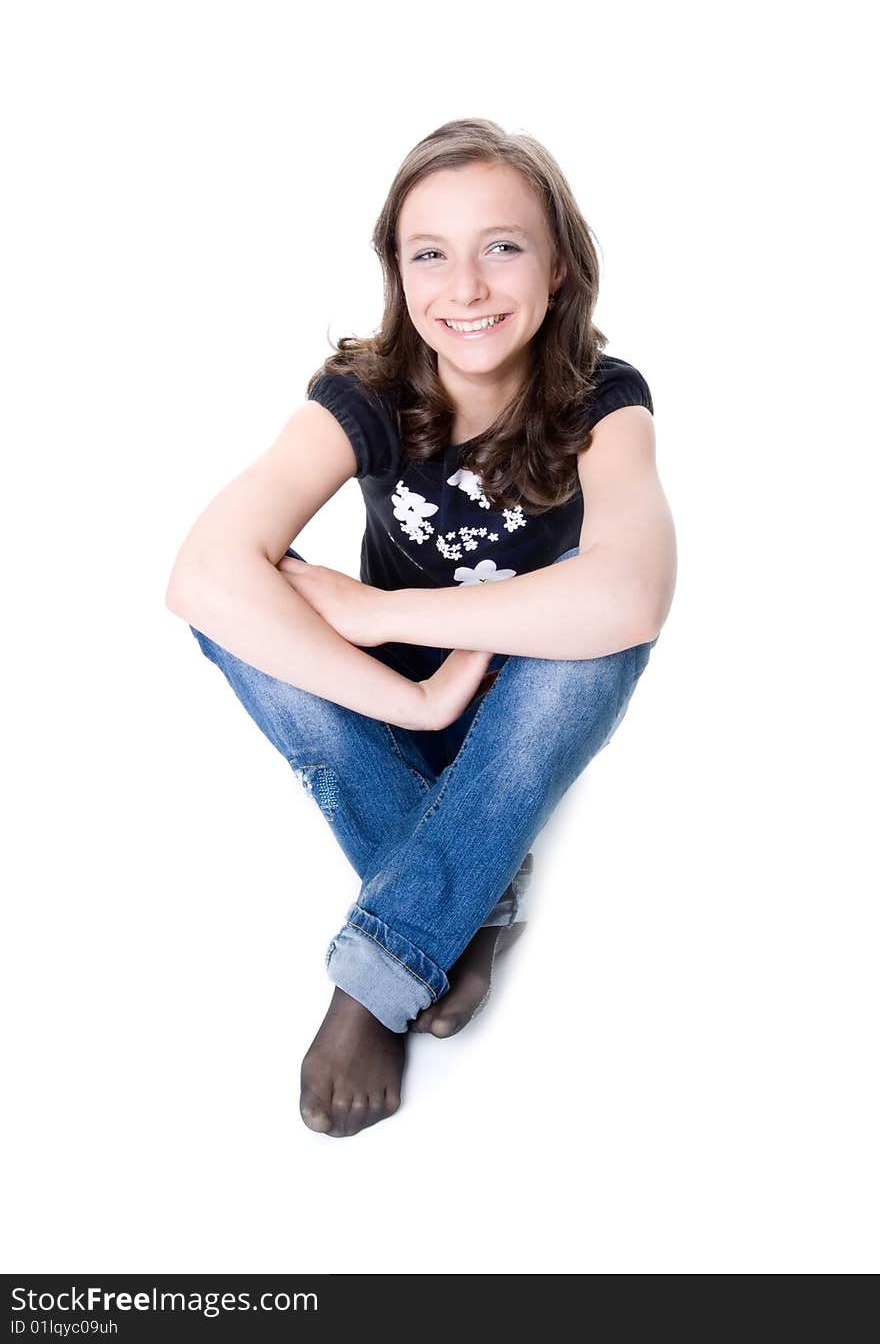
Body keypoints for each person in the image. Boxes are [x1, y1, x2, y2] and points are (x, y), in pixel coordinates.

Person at [165, 117, 677, 1139]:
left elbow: (630, 596)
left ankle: (382, 967)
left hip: (530, 704)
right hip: (378, 701)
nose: (468, 286)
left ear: (562, 265)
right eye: (428, 254)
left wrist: (392, 608)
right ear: (397, 276)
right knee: (244, 603)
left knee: (600, 625)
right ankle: (472, 896)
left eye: (503, 245)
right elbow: (201, 573)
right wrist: (411, 687)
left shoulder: (602, 403)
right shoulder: (366, 395)